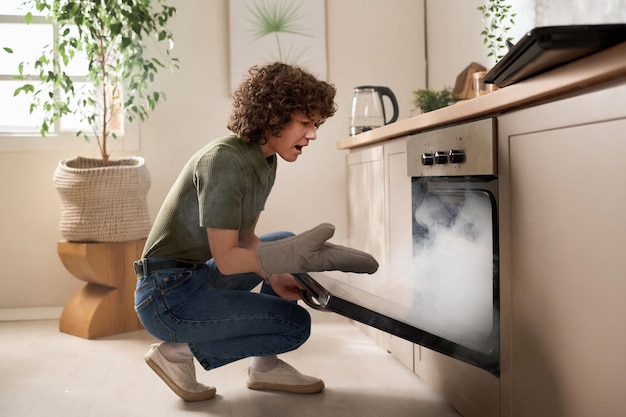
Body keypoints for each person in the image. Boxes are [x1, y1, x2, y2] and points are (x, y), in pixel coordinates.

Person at [133, 62, 378, 402]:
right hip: (165, 297)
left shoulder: (265, 161)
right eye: (305, 123)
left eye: (316, 124)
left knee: (281, 242)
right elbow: (229, 260)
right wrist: (280, 262)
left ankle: (264, 367)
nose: (313, 134)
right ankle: (175, 353)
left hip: (194, 278)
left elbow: (247, 240)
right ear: (272, 115)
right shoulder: (224, 161)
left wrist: (274, 274)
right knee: (294, 325)